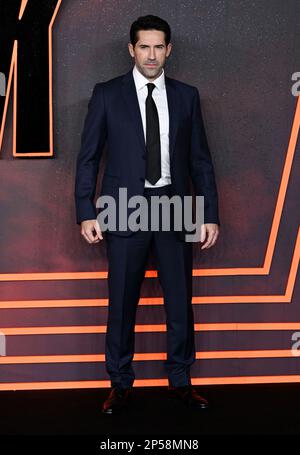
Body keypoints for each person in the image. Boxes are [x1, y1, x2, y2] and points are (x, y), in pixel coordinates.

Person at [75, 14, 220, 414]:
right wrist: (86, 211)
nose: (152, 54)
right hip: (123, 209)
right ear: (131, 49)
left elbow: (201, 161)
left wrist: (208, 213)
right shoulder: (106, 94)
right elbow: (88, 159)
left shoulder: (187, 95)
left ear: (168, 50)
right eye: (144, 47)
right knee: (121, 302)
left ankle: (181, 381)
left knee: (180, 301)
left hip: (175, 208)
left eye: (159, 47)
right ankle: (120, 384)